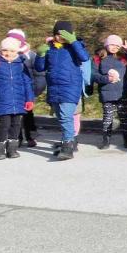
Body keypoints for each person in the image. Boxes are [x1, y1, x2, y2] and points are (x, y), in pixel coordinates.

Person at [34, 20, 89, 161]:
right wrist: (40, 55)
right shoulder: (51, 48)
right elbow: (40, 68)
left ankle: (67, 146)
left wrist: (74, 42)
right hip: (54, 87)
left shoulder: (75, 47)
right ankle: (71, 140)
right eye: (57, 34)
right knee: (60, 116)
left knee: (65, 116)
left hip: (70, 86)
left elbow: (84, 57)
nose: (60, 37)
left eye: (64, 34)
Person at [91, 35, 127, 149]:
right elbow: (93, 75)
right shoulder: (98, 58)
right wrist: (106, 79)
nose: (114, 47)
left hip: (123, 92)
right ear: (106, 44)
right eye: (112, 44)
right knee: (108, 118)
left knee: (124, 117)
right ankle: (106, 140)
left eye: (117, 45)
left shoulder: (124, 58)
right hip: (107, 92)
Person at [6, 29, 44, 148]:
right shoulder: (7, 54)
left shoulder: (30, 55)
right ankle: (17, 137)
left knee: (28, 115)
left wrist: (35, 90)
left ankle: (30, 136)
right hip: (13, 90)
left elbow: (39, 73)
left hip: (28, 90)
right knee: (14, 116)